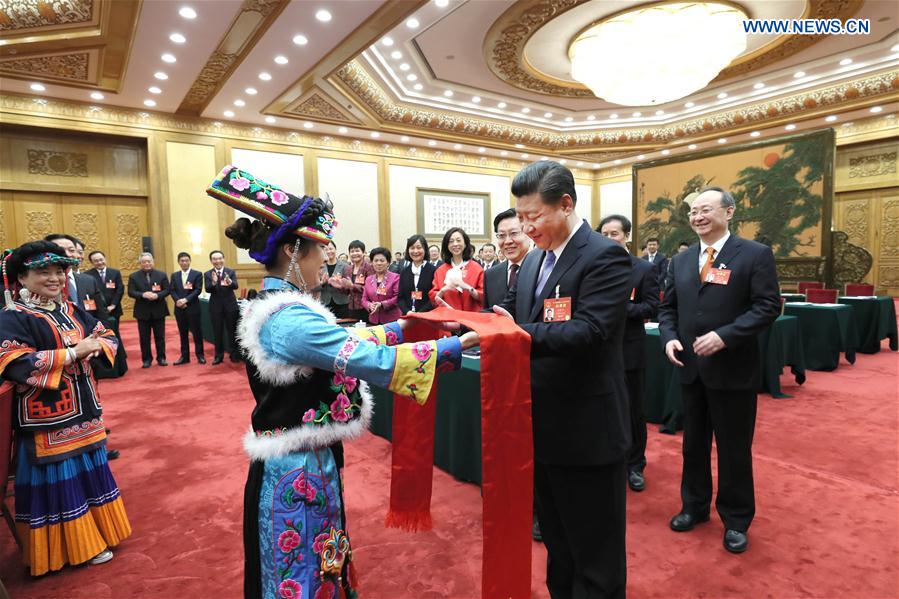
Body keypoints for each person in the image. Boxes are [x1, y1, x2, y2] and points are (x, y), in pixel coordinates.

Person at [203, 166, 477, 598]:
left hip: (308, 458)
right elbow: (364, 357)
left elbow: (346, 339)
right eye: (318, 252)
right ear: (293, 251)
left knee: (322, 560)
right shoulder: (289, 318)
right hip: (294, 469)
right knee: (303, 572)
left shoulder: (285, 307)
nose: (324, 261)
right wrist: (454, 348)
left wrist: (405, 326)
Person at [490, 161, 632, 598]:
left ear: (566, 204)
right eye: (520, 217)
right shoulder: (534, 260)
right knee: (558, 543)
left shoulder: (604, 256)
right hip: (542, 425)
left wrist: (516, 333)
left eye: (533, 217)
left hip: (589, 429)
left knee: (595, 550)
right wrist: (464, 318)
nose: (526, 227)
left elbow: (591, 330)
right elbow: (511, 314)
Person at [659, 186, 780, 554]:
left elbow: (768, 306)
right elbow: (668, 309)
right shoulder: (679, 261)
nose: (698, 216)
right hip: (690, 368)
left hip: (732, 368)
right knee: (693, 446)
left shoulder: (754, 254)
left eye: (706, 210)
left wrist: (725, 336)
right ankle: (694, 507)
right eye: (694, 211)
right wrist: (668, 337)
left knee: (733, 448)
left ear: (729, 213)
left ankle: (737, 519)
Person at [0, 240, 131, 576]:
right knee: (61, 478)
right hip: (48, 417)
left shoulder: (70, 310)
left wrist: (97, 346)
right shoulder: (14, 316)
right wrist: (73, 353)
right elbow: (12, 361)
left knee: (91, 469)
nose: (55, 277)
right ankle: (68, 548)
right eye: (44, 271)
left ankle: (98, 535)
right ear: (22, 277)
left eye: (60, 270)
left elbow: (105, 333)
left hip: (85, 408)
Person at [599, 214, 659, 493]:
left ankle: (635, 465)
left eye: (615, 234)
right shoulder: (594, 267)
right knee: (604, 409)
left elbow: (651, 307)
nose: (610, 238)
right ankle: (608, 459)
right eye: (605, 233)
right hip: (597, 350)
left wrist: (618, 309)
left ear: (627, 236)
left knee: (633, 410)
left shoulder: (642, 269)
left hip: (630, 350)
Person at [43, 234, 108, 323]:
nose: (68, 254)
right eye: (61, 250)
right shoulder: (41, 283)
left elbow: (101, 314)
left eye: (72, 250)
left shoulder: (89, 280)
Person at [127, 252, 170, 368]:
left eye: (149, 261)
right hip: (142, 311)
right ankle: (146, 359)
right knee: (144, 338)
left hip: (159, 310)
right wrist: (143, 294)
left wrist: (158, 295)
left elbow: (167, 290)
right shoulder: (133, 276)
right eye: (144, 262)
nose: (147, 264)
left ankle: (161, 358)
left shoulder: (161, 275)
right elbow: (131, 292)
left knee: (160, 337)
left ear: (153, 262)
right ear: (140, 263)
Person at [483, 208, 530, 310]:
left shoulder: (542, 269)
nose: (508, 241)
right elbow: (488, 314)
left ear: (528, 232)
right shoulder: (490, 274)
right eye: (502, 235)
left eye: (514, 233)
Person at [430, 227, 484, 312]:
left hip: (471, 319)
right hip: (447, 319)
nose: (455, 244)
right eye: (451, 241)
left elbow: (484, 296)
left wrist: (468, 288)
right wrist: (443, 290)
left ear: (465, 243)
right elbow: (433, 299)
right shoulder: (440, 270)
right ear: (447, 245)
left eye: (458, 240)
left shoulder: (476, 268)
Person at [205, 250, 240, 364]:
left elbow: (236, 286)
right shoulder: (207, 274)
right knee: (217, 332)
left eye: (220, 258)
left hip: (230, 306)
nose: (217, 261)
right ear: (211, 261)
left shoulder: (230, 271)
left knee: (232, 331)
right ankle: (218, 356)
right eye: (215, 259)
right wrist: (214, 282)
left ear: (223, 259)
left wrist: (230, 282)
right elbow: (207, 289)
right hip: (216, 307)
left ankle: (234, 354)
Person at [170, 251, 206, 365]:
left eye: (186, 260)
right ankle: (184, 356)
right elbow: (172, 290)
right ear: (178, 262)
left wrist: (186, 300)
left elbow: (197, 290)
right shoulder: (174, 275)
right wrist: (178, 301)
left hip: (193, 307)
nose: (184, 263)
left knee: (197, 333)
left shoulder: (197, 274)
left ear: (190, 261)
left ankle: (200, 355)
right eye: (182, 261)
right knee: (183, 333)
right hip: (179, 309)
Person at [85, 250, 125, 328]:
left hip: (114, 309)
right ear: (92, 263)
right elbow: (88, 293)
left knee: (115, 331)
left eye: (101, 259)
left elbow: (119, 290)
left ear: (105, 259)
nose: (99, 262)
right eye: (96, 261)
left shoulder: (115, 272)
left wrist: (113, 305)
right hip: (97, 311)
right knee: (101, 333)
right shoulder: (87, 275)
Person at [397, 234, 436, 315]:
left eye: (419, 247)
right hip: (408, 317)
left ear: (425, 249)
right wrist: (407, 312)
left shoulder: (433, 270)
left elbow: (434, 298)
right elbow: (400, 298)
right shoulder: (404, 272)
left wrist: (419, 314)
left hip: (427, 317)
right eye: (412, 248)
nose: (415, 251)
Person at [362, 247, 401, 325]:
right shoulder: (368, 279)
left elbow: (398, 297)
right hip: (373, 320)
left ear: (388, 262)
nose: (379, 263)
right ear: (372, 262)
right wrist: (369, 305)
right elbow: (364, 298)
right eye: (376, 260)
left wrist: (382, 304)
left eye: (382, 260)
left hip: (391, 320)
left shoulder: (396, 277)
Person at [339, 240, 373, 323]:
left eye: (357, 251)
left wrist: (352, 286)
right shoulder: (348, 269)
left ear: (363, 252)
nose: (354, 253)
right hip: (351, 307)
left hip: (365, 307)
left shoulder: (369, 268)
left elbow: (371, 289)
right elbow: (346, 292)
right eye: (352, 251)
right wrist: (340, 286)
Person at [318, 240, 349, 318]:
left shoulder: (345, 266)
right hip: (325, 303)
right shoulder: (319, 266)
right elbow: (313, 287)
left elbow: (349, 287)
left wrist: (341, 284)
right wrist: (322, 283)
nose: (329, 251)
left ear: (335, 249)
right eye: (326, 249)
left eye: (331, 249)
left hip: (342, 303)